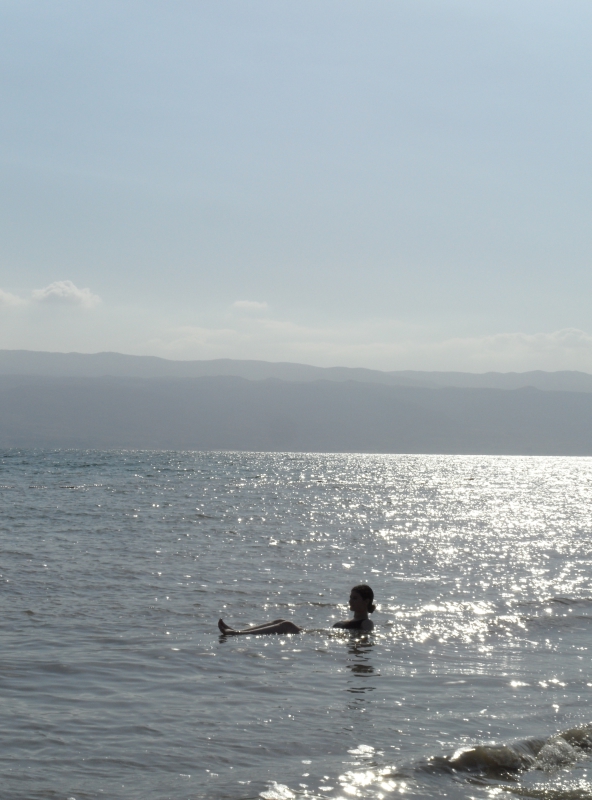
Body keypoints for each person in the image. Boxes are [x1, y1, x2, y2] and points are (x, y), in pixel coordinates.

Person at [217, 584, 375, 635]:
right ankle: (238, 631)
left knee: (286, 625)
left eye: (355, 598)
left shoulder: (365, 623)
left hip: (314, 637)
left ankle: (236, 634)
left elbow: (365, 637)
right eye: (350, 597)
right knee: (280, 620)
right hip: (314, 632)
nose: (350, 601)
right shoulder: (352, 620)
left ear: (366, 601)